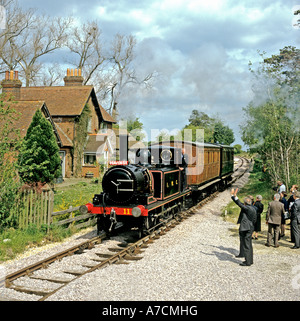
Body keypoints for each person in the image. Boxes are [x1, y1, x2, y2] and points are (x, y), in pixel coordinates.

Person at [231, 188, 256, 266]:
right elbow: (254, 220)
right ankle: (250, 260)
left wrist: (235, 196)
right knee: (249, 244)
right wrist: (233, 196)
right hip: (250, 227)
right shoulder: (253, 208)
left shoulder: (247, 209)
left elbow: (239, 204)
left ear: (245, 203)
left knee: (246, 245)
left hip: (246, 228)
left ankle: (247, 261)